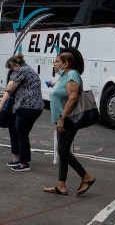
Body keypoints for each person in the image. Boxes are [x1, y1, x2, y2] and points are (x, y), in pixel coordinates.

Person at [43, 51, 96, 195]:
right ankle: (61, 185)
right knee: (62, 152)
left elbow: (73, 98)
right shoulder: (64, 76)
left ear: (65, 64)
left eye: (57, 62)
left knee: (63, 151)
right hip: (63, 119)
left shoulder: (72, 75)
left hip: (68, 119)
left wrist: (61, 118)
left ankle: (86, 177)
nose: (54, 64)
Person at [0, 54, 44, 171]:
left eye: (11, 69)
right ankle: (17, 158)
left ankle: (24, 163)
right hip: (25, 106)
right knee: (15, 131)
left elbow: (9, 89)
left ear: (17, 65)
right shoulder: (26, 70)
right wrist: (2, 104)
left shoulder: (22, 70)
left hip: (28, 107)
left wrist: (12, 79)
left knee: (21, 134)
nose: (11, 72)